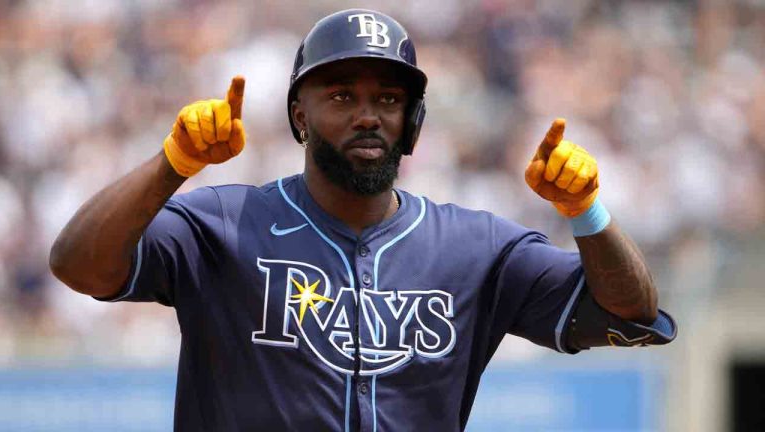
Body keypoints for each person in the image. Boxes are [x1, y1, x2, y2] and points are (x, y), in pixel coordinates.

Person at [49, 9, 676, 432]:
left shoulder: (478, 248)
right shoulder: (222, 223)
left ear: (414, 122)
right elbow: (77, 264)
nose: (368, 115)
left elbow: (631, 313)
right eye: (342, 95)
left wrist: (587, 212)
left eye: (389, 99)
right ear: (299, 115)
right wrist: (173, 164)